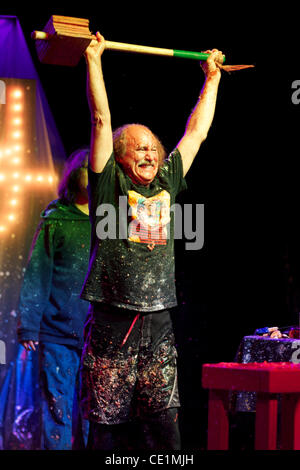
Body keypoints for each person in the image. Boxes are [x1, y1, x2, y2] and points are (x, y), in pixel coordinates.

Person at [79, 32, 222, 450]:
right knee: (107, 425)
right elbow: (101, 121)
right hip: (112, 320)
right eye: (138, 149)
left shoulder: (166, 180)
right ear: (120, 157)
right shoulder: (109, 183)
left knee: (165, 424)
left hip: (157, 319)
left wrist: (211, 79)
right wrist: (94, 59)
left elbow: (196, 134)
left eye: (153, 149)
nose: (149, 155)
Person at [17, 148, 91, 450]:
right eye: (88, 166)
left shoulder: (113, 220)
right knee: (57, 410)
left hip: (99, 336)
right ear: (75, 173)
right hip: (58, 332)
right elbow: (37, 273)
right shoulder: (56, 219)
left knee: (96, 413)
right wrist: (29, 325)